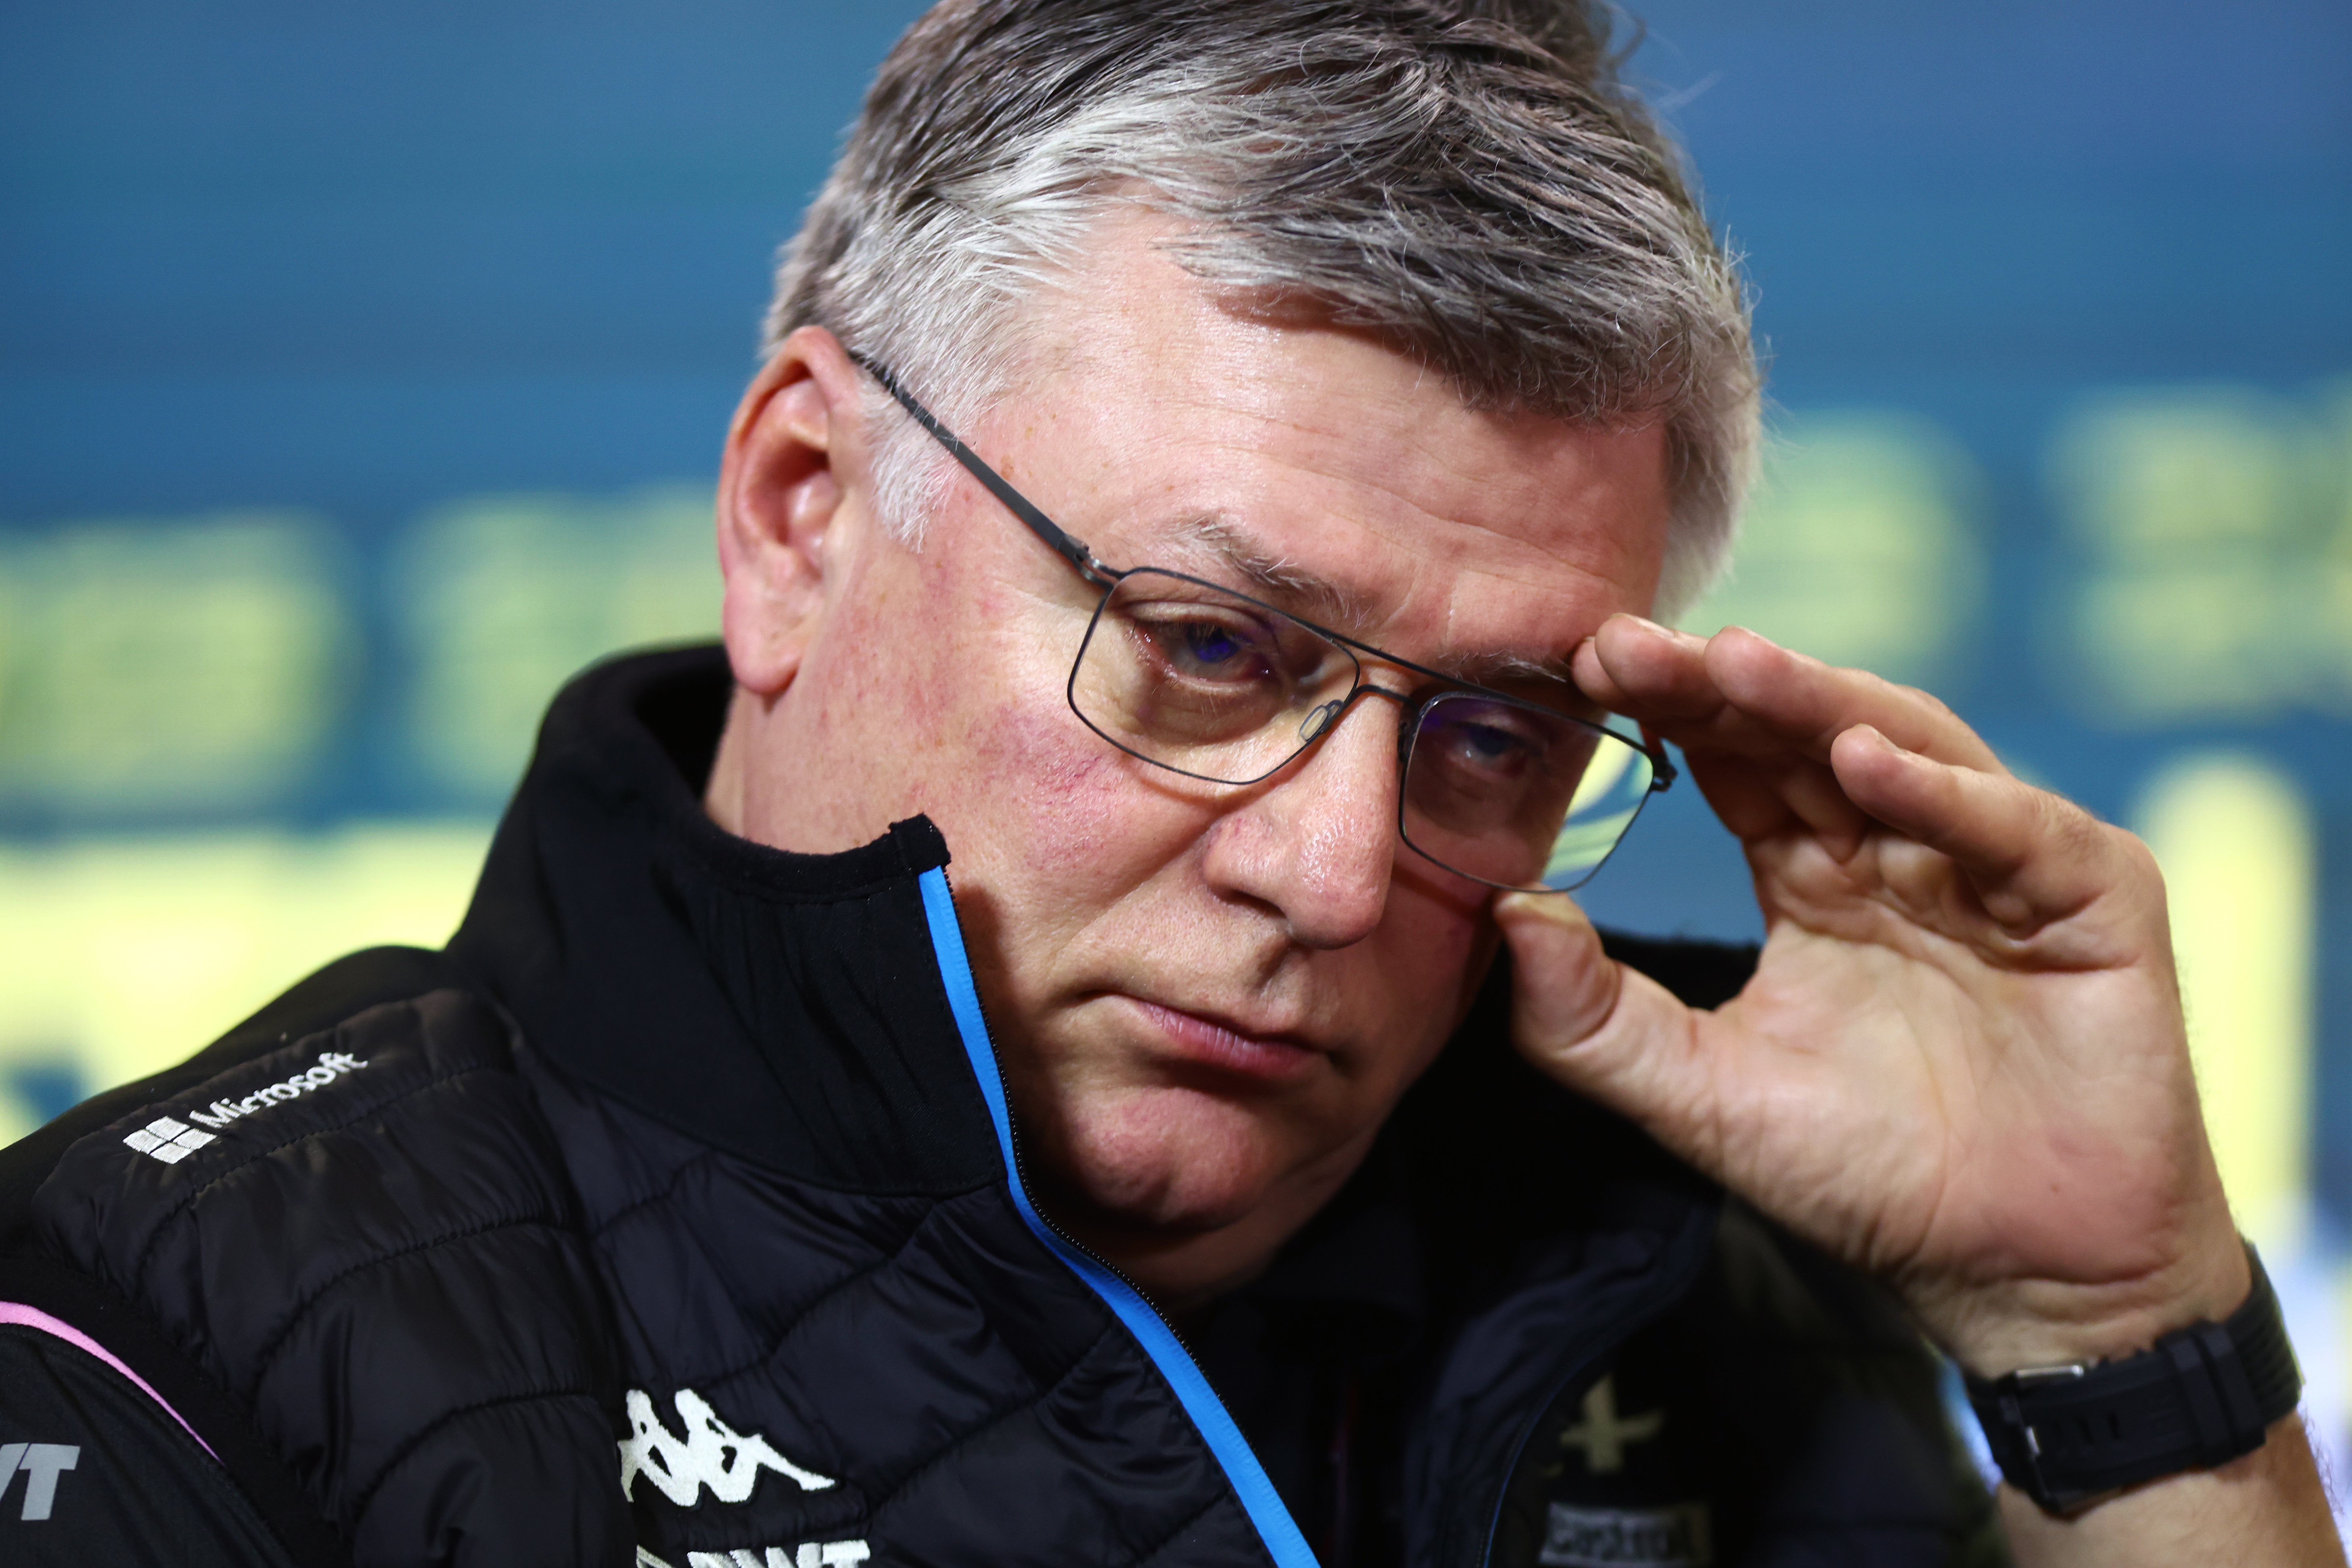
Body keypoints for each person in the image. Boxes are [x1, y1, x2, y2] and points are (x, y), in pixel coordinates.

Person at [0, 2, 2336, 1564]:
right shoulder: (160, 1333)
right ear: (804, 511)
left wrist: (2108, 1334)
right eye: (1211, 648)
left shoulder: (1702, 1303)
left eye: (1491, 737)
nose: (1334, 872)